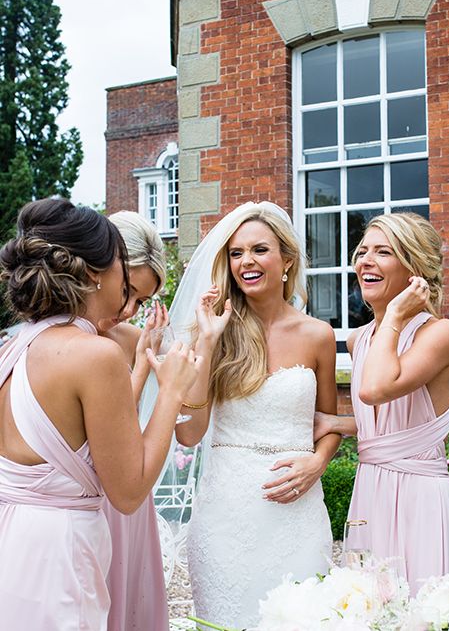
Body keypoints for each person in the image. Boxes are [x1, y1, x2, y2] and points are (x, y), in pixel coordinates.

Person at [0, 198, 200, 630]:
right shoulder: (96, 355)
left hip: (12, 539)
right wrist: (171, 391)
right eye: (121, 271)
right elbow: (128, 494)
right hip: (60, 553)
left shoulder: (11, 348)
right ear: (94, 273)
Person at [171, 201, 339, 629]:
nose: (246, 261)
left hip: (296, 509)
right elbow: (190, 434)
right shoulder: (214, 332)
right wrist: (207, 344)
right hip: (225, 513)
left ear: (286, 260)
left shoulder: (318, 335)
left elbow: (329, 424)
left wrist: (318, 463)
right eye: (236, 252)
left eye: (259, 249)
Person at [314, 212, 449, 595]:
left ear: (414, 269)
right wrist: (339, 424)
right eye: (362, 251)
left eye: (383, 252)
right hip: (370, 490)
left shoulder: (439, 333)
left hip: (421, 495)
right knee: (371, 605)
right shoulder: (359, 340)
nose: (365, 261)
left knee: (424, 605)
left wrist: (398, 315)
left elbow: (375, 389)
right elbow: (390, 424)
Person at [98, 211, 170, 631]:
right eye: (126, 291)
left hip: (127, 501)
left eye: (141, 301)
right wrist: (142, 365)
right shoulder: (58, 336)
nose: (128, 310)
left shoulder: (129, 338)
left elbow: (125, 420)